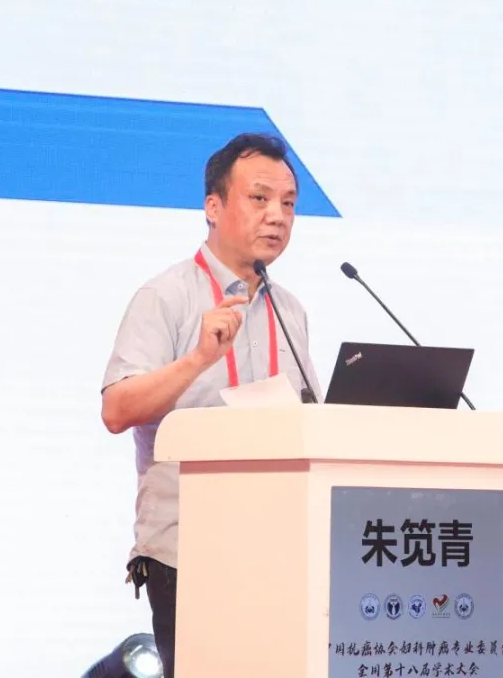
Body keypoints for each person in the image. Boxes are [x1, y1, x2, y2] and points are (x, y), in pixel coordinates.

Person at [100, 132, 322, 678]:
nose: (277, 216)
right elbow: (117, 409)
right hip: (188, 551)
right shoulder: (166, 296)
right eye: (260, 198)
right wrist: (199, 358)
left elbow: (309, 420)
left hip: (277, 546)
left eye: (288, 203)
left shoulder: (290, 311)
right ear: (213, 207)